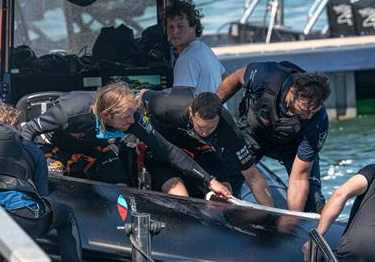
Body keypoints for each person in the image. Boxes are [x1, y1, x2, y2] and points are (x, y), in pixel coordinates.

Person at [21, 82, 231, 199]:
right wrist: (28, 170)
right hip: (54, 147)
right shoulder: (69, 113)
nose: (132, 122)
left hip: (94, 149)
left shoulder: (133, 118)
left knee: (122, 191)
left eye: (133, 115)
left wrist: (209, 180)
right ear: (106, 116)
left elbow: (167, 150)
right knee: (51, 184)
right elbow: (29, 131)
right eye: (126, 117)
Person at [0, 104, 84, 262]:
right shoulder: (26, 145)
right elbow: (42, 194)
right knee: (65, 215)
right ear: (14, 124)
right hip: (21, 217)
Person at [217, 61, 331, 213]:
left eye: (314, 110)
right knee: (225, 179)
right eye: (304, 108)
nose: (308, 115)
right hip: (253, 134)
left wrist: (293, 217)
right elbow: (236, 78)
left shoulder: (318, 120)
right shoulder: (266, 75)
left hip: (292, 147)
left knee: (313, 201)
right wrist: (214, 105)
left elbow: (299, 177)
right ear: (292, 91)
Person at [142, 88, 273, 206]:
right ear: (191, 112)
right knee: (180, 195)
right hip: (164, 150)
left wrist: (272, 215)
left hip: (199, 150)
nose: (204, 133)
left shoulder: (229, 130)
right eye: (200, 126)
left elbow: (253, 176)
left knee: (225, 194)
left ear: (220, 116)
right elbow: (142, 93)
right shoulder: (167, 107)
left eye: (210, 127)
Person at [165, 0, 227, 94]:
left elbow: (179, 102)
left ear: (193, 27)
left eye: (180, 26)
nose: (174, 32)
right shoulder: (204, 48)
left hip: (201, 109)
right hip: (218, 108)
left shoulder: (187, 58)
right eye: (171, 27)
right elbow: (225, 78)